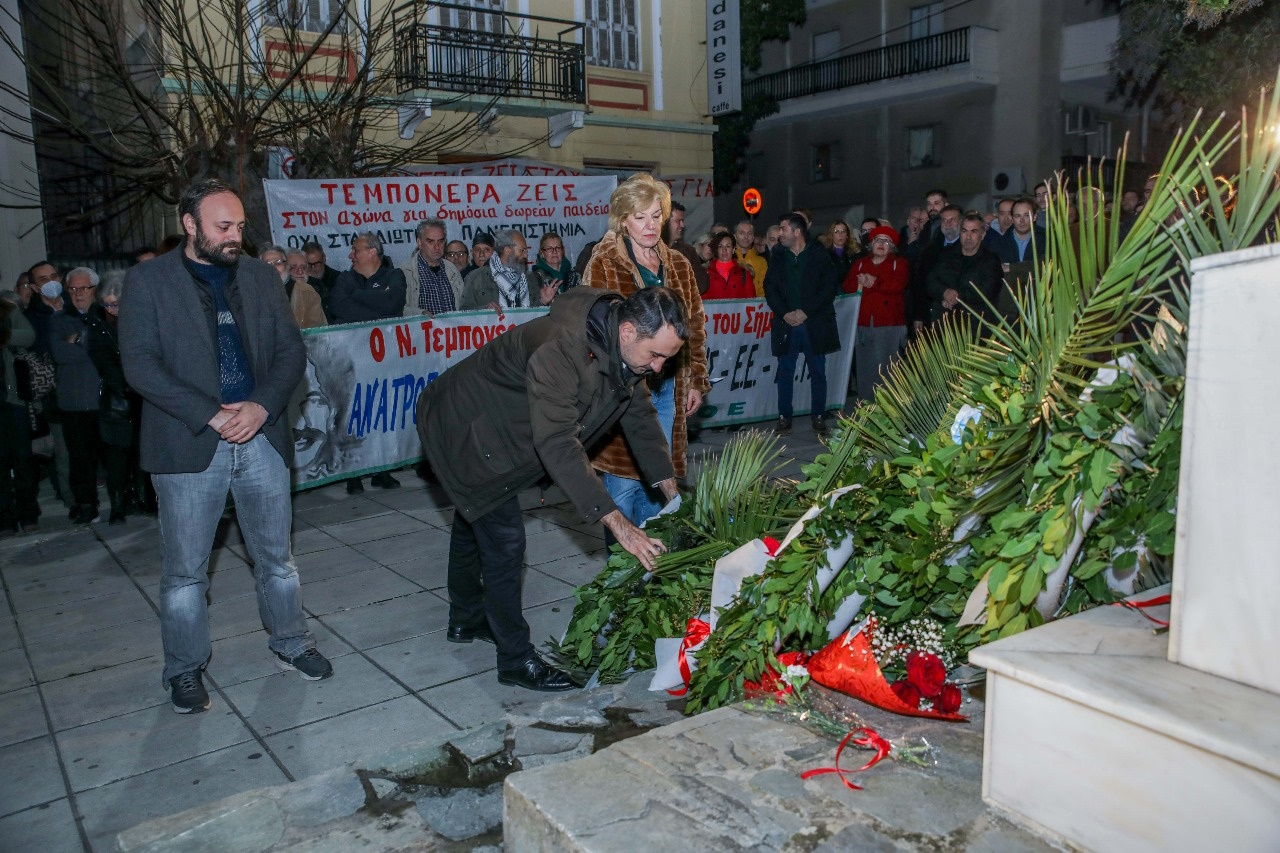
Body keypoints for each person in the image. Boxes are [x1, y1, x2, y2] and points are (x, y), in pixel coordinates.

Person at [120, 178, 334, 715]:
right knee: (186, 572)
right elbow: (141, 365)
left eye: (239, 225)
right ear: (189, 225)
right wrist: (212, 414)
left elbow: (290, 352)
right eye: (223, 226)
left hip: (260, 437)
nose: (235, 235)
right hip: (191, 442)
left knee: (278, 560)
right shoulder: (148, 282)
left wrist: (261, 406)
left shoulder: (262, 277)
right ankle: (185, 669)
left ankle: (291, 643)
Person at [416, 286, 688, 691]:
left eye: (668, 356)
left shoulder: (623, 351)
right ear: (628, 331)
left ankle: (466, 617)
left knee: (473, 515)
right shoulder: (561, 350)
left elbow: (640, 418)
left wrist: (673, 495)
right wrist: (620, 525)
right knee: (504, 540)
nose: (660, 367)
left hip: (495, 424)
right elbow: (558, 443)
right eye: (657, 354)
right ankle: (514, 660)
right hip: (465, 428)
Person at [584, 173, 710, 528]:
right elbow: (595, 331)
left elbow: (695, 325)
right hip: (623, 390)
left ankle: (652, 571)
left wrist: (697, 377)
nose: (650, 225)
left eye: (656, 215)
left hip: (668, 385)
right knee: (622, 487)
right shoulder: (605, 262)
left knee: (658, 480)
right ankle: (621, 569)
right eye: (640, 216)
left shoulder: (679, 264)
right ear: (623, 219)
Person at [330, 231, 407, 492]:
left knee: (383, 410)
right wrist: (379, 307)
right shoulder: (344, 279)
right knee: (354, 412)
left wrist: (359, 299)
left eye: (356, 249)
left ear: (372, 252)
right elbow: (339, 306)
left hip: (385, 359)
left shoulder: (394, 276)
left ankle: (382, 469)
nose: (351, 255)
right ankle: (354, 472)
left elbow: (393, 302)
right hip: (352, 360)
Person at [50, 267, 124, 525]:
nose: (78, 293)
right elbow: (60, 354)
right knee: (80, 459)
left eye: (84, 288)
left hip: (106, 400)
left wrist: (79, 341)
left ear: (95, 289)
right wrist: (88, 344)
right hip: (74, 403)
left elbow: (113, 352)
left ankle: (120, 505)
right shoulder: (58, 320)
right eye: (72, 288)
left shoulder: (108, 316)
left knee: (113, 455)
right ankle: (86, 505)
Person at [764, 212, 840, 436]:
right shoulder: (778, 255)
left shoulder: (819, 254)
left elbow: (828, 288)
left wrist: (806, 312)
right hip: (786, 323)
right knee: (785, 371)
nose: (780, 234)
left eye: (784, 229)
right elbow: (770, 288)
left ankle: (818, 415)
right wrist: (784, 313)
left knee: (818, 371)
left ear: (797, 231)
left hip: (813, 323)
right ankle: (784, 417)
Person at [86, 271, 145, 522]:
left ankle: (142, 499)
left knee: (142, 453)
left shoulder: (139, 318)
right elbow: (103, 361)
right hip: (116, 399)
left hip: (142, 396)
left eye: (115, 303)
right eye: (106, 304)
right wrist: (124, 383)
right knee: (117, 457)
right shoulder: (97, 324)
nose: (111, 309)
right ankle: (118, 505)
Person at [843, 226, 908, 402]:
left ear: (892, 246)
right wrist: (860, 282)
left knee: (888, 367)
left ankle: (889, 406)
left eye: (886, 241)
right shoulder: (860, 263)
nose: (881, 244)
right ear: (871, 244)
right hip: (863, 322)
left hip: (888, 324)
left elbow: (898, 285)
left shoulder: (898, 263)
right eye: (878, 240)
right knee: (865, 367)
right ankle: (866, 405)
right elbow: (848, 286)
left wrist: (873, 282)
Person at [0, 290, 39, 534]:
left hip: (12, 400)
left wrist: (4, 335)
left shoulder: (6, 309)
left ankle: (28, 515)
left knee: (23, 460)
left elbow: (29, 336)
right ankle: (5, 520)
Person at [925, 212, 1004, 325]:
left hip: (975, 324)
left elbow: (988, 290)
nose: (968, 236)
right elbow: (931, 281)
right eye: (964, 231)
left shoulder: (990, 259)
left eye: (974, 231)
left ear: (983, 235)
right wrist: (944, 292)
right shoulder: (946, 254)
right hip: (944, 322)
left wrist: (956, 297)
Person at [398, 218, 463, 318]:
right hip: (421, 331)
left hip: (454, 331)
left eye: (440, 241)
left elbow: (464, 305)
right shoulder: (404, 271)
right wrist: (420, 314)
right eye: (430, 241)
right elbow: (396, 309)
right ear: (419, 243)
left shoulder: (452, 269)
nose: (437, 247)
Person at [460, 229, 532, 311]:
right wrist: (486, 310)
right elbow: (463, 311)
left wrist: (542, 301)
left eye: (486, 250)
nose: (526, 255)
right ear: (507, 250)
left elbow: (537, 314)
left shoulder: (530, 278)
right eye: (522, 251)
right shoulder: (474, 277)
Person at [664, 201, 709, 295]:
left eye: (682, 221)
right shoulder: (651, 249)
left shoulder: (688, 251)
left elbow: (702, 282)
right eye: (678, 221)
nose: (682, 225)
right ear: (666, 221)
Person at [530, 232, 581, 304]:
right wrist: (542, 301)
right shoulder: (534, 279)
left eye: (558, 247)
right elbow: (528, 310)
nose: (554, 251)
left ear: (563, 251)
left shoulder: (575, 277)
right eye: (549, 248)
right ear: (542, 254)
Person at [284, 250, 327, 329]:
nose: (300, 271)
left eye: (303, 267)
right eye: (293, 267)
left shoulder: (317, 288)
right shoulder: (278, 293)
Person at [704, 232, 755, 300]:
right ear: (716, 250)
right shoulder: (706, 273)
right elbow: (701, 302)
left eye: (728, 246)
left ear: (733, 249)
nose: (724, 250)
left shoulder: (744, 272)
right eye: (720, 246)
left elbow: (751, 301)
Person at [302, 241, 340, 322]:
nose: (313, 268)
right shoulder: (299, 282)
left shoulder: (338, 279)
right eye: (309, 264)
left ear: (324, 259)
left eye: (317, 263)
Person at [733, 220, 768, 297]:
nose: (746, 237)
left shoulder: (761, 261)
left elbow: (763, 290)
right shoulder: (729, 260)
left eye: (749, 233)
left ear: (753, 237)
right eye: (742, 233)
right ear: (735, 236)